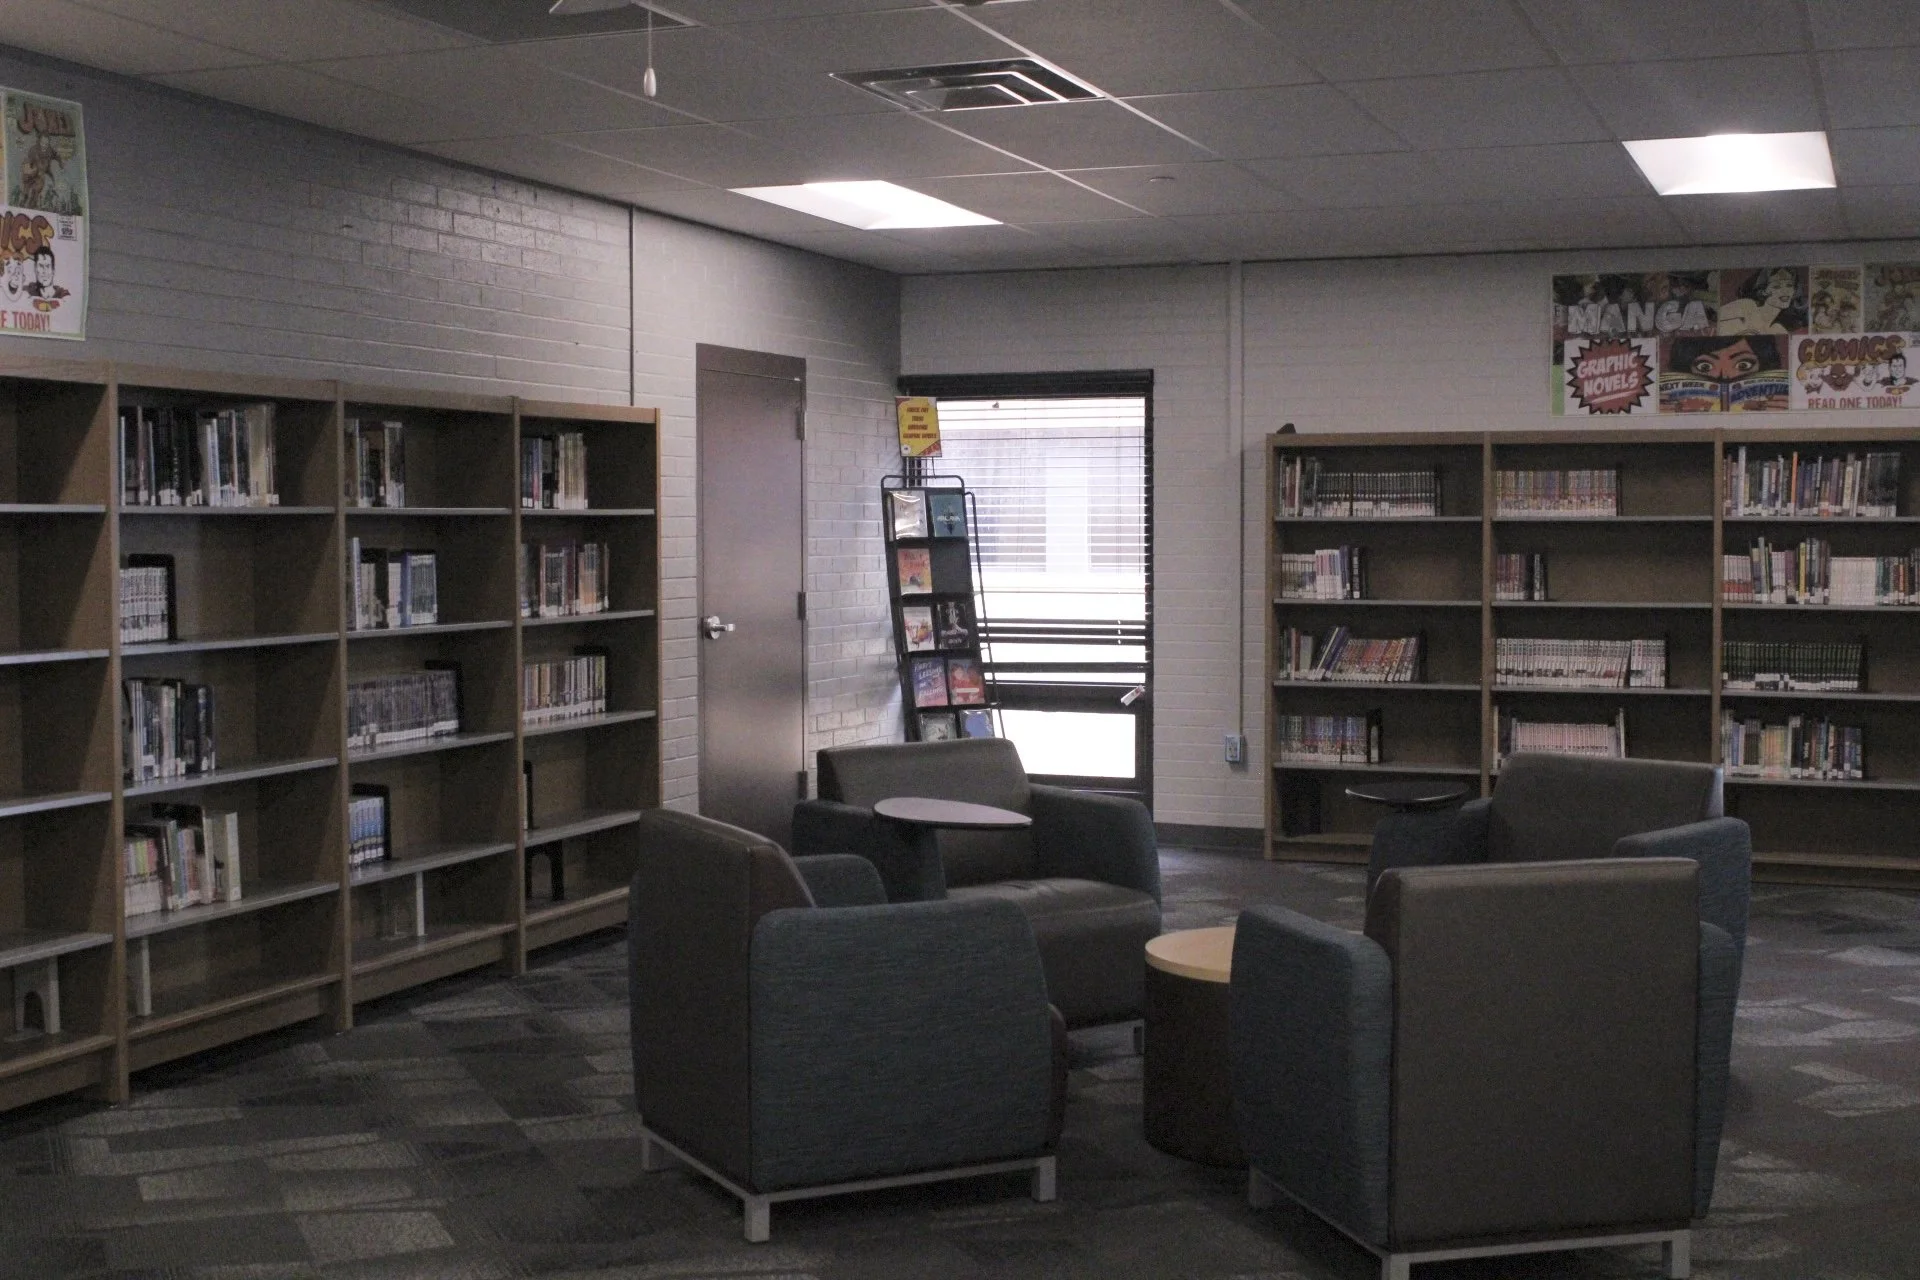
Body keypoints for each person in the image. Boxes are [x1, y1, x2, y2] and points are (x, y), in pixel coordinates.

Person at [1719, 267, 1805, 334]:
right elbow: (1714, 320)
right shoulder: (1747, 306)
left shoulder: (1779, 329)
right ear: (1763, 291)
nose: (1785, 291)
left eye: (1789, 285)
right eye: (1776, 286)